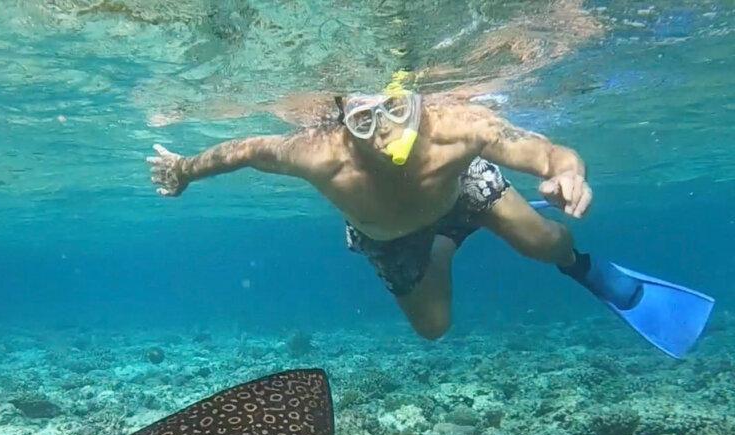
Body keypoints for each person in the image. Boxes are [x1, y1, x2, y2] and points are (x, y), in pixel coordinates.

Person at [146, 84, 713, 358]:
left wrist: (571, 173)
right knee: (433, 328)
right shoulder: (316, 152)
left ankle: (585, 270)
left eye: (397, 109)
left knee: (546, 240)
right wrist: (185, 170)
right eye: (366, 120)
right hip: (387, 236)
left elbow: (544, 152)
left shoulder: (458, 126)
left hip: (460, 187)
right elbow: (241, 150)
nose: (388, 131)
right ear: (343, 124)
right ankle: (443, 249)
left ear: (416, 103)